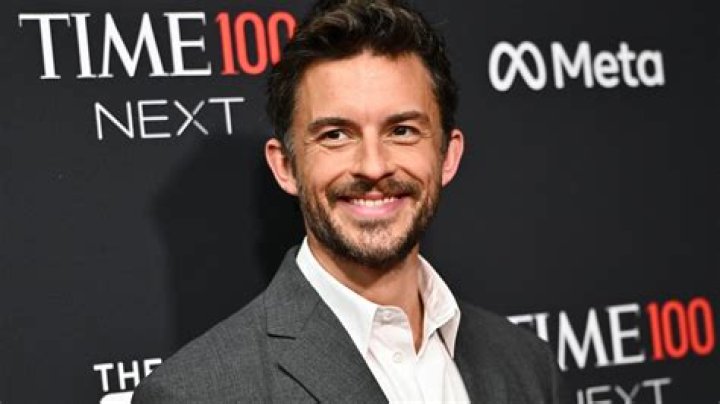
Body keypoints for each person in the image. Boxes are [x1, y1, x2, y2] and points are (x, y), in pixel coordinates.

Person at [133, 0, 567, 402]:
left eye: (402, 131)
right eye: (336, 135)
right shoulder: (195, 395)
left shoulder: (528, 365)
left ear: (447, 156)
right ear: (286, 166)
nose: (373, 167)